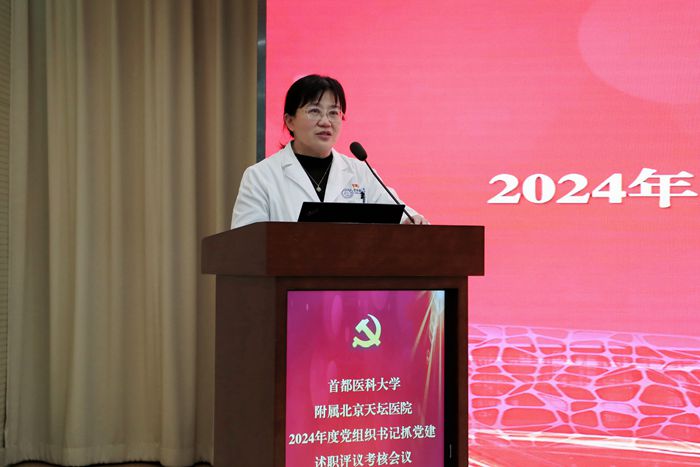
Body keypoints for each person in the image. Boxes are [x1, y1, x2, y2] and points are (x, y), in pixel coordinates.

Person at [231, 74, 428, 228]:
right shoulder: (261, 176)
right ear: (290, 121)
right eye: (314, 111)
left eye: (334, 112)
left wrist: (411, 222)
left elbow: (403, 216)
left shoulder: (361, 172)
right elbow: (247, 243)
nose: (326, 122)